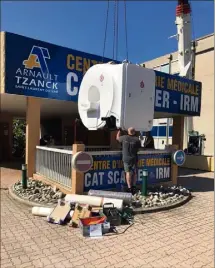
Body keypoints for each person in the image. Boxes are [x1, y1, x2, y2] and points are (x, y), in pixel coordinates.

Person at [116, 127, 141, 194]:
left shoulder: (124, 138)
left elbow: (117, 138)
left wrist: (119, 131)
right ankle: (134, 187)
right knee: (135, 173)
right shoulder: (137, 140)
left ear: (128, 132)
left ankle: (129, 188)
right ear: (134, 132)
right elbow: (138, 149)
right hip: (134, 158)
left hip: (126, 159)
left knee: (128, 173)